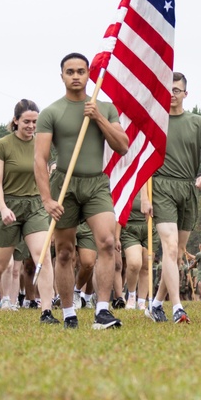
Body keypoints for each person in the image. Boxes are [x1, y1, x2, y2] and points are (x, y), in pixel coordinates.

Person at [35, 54, 129, 330]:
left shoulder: (105, 108)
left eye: (81, 71)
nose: (76, 76)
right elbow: (40, 159)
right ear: (62, 76)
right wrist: (47, 199)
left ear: (89, 74)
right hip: (64, 184)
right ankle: (68, 313)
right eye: (70, 72)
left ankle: (102, 310)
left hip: (96, 183)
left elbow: (122, 145)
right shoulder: (51, 112)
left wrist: (97, 116)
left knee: (108, 243)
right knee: (64, 252)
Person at [0, 99, 57, 326]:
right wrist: (3, 208)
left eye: (35, 122)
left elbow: (43, 177)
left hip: (34, 206)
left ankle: (46, 311)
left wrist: (48, 201)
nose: (30, 126)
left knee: (43, 256)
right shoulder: (2, 145)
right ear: (15, 121)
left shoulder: (41, 143)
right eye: (26, 121)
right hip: (6, 205)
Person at [142, 72, 201, 324]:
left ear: (186, 93)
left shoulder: (197, 122)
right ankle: (177, 308)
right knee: (170, 248)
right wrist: (145, 196)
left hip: (188, 189)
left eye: (177, 90)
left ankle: (155, 304)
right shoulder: (155, 122)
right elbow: (142, 162)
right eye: (168, 89)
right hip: (161, 187)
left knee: (177, 253)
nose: (172, 94)